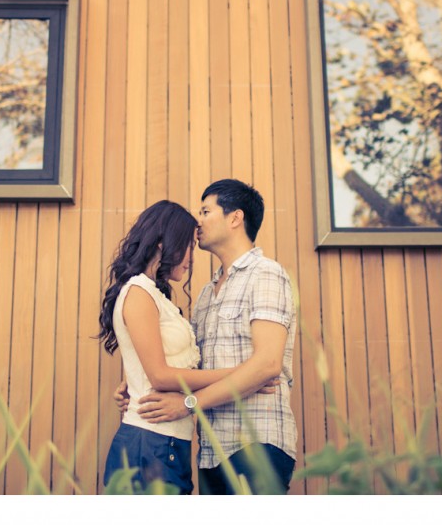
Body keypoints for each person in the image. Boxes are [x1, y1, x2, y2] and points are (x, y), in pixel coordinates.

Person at [123, 179, 298, 495]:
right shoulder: (206, 293)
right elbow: (191, 365)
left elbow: (268, 365)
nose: (197, 220)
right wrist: (138, 382)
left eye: (205, 211)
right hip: (211, 452)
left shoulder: (266, 273)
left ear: (235, 218)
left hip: (256, 442)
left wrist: (188, 404)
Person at [99, 199, 252, 495]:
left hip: (168, 443)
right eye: (187, 246)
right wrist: (242, 375)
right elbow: (160, 376)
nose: (191, 258)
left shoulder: (154, 294)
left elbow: (159, 366)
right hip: (150, 442)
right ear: (161, 243)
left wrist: (131, 381)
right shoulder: (139, 292)